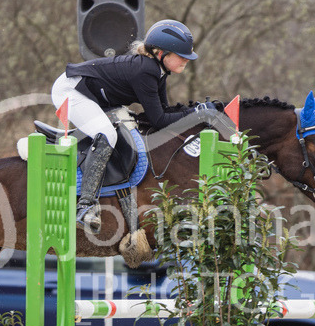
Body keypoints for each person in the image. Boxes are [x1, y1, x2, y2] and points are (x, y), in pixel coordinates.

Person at [50, 19, 213, 233]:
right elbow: (159, 121)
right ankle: (85, 206)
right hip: (70, 92)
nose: (186, 60)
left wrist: (197, 111)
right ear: (160, 53)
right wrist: (197, 114)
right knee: (107, 134)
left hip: (93, 96)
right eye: (181, 55)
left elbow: (162, 113)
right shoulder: (146, 71)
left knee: (126, 130)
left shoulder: (158, 71)